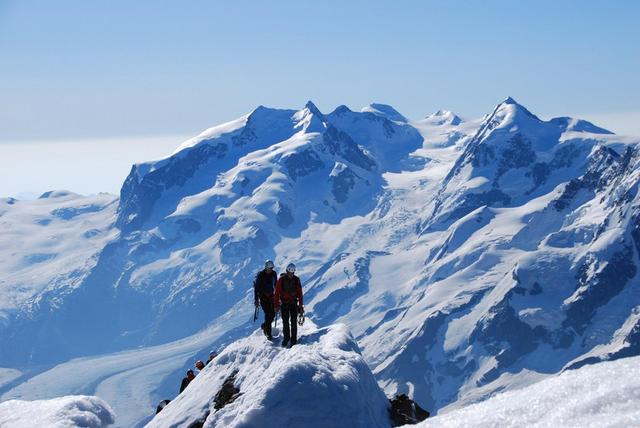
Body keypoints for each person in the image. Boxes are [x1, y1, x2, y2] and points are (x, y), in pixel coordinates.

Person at [274, 263, 304, 348]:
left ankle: (293, 339)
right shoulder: (281, 280)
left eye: (293, 272)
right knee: (285, 322)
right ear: (287, 271)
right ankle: (286, 338)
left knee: (293, 322)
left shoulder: (296, 280)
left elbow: (300, 293)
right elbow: (276, 293)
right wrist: (276, 305)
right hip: (285, 304)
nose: (291, 274)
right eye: (290, 272)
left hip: (293, 304)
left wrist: (301, 305)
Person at [253, 260, 278, 340]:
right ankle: (268, 333)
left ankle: (265, 326)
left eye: (272, 268)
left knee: (273, 314)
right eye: (270, 268)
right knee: (268, 314)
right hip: (263, 298)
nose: (271, 269)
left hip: (271, 297)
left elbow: (276, 285)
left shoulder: (274, 274)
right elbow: (256, 288)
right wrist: (256, 300)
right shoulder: (261, 275)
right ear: (266, 267)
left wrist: (278, 297)